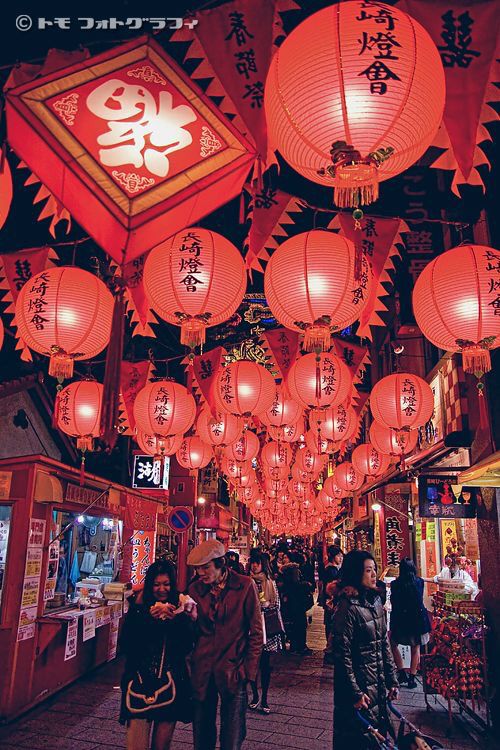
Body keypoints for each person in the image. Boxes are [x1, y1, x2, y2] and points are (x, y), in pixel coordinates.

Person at [187, 539, 263, 750]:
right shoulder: (194, 590)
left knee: (232, 734)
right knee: (202, 732)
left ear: (221, 564)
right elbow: (190, 635)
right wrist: (190, 618)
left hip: (233, 668)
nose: (201, 573)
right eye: (197, 569)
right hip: (202, 667)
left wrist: (248, 670)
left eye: (205, 568)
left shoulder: (245, 586)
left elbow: (256, 632)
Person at [119, 560, 194, 750]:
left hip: (170, 683)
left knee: (162, 746)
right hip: (139, 682)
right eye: (157, 584)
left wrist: (177, 619)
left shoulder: (180, 604)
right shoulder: (138, 605)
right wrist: (147, 620)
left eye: (166, 584)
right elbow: (127, 644)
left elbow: (186, 646)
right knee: (136, 745)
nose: (162, 589)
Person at [332, 550, 399, 750]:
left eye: (374, 570)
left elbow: (383, 644)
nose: (373, 575)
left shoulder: (376, 601)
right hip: (359, 688)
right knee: (357, 739)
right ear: (355, 573)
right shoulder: (347, 607)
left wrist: (392, 678)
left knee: (378, 738)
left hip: (377, 684)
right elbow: (342, 655)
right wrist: (355, 693)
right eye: (368, 570)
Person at [248, 551, 283, 714]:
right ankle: (254, 695)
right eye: (252, 562)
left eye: (257, 562)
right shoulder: (247, 582)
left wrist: (264, 606)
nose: (254, 565)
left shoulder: (270, 582)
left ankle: (265, 698)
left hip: (267, 627)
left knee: (266, 665)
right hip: (251, 628)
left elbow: (276, 604)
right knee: (253, 663)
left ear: (263, 564)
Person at [389, 558, 431, 689]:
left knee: (393, 644)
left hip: (401, 620)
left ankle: (401, 673)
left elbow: (394, 602)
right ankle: (412, 678)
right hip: (417, 621)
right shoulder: (419, 582)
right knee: (416, 648)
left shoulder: (395, 584)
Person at [279, 562, 313, 654]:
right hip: (297, 604)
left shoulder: (285, 578)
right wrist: (307, 584)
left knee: (295, 626)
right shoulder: (294, 575)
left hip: (292, 605)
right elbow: (297, 584)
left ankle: (295, 646)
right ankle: (300, 646)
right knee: (300, 625)